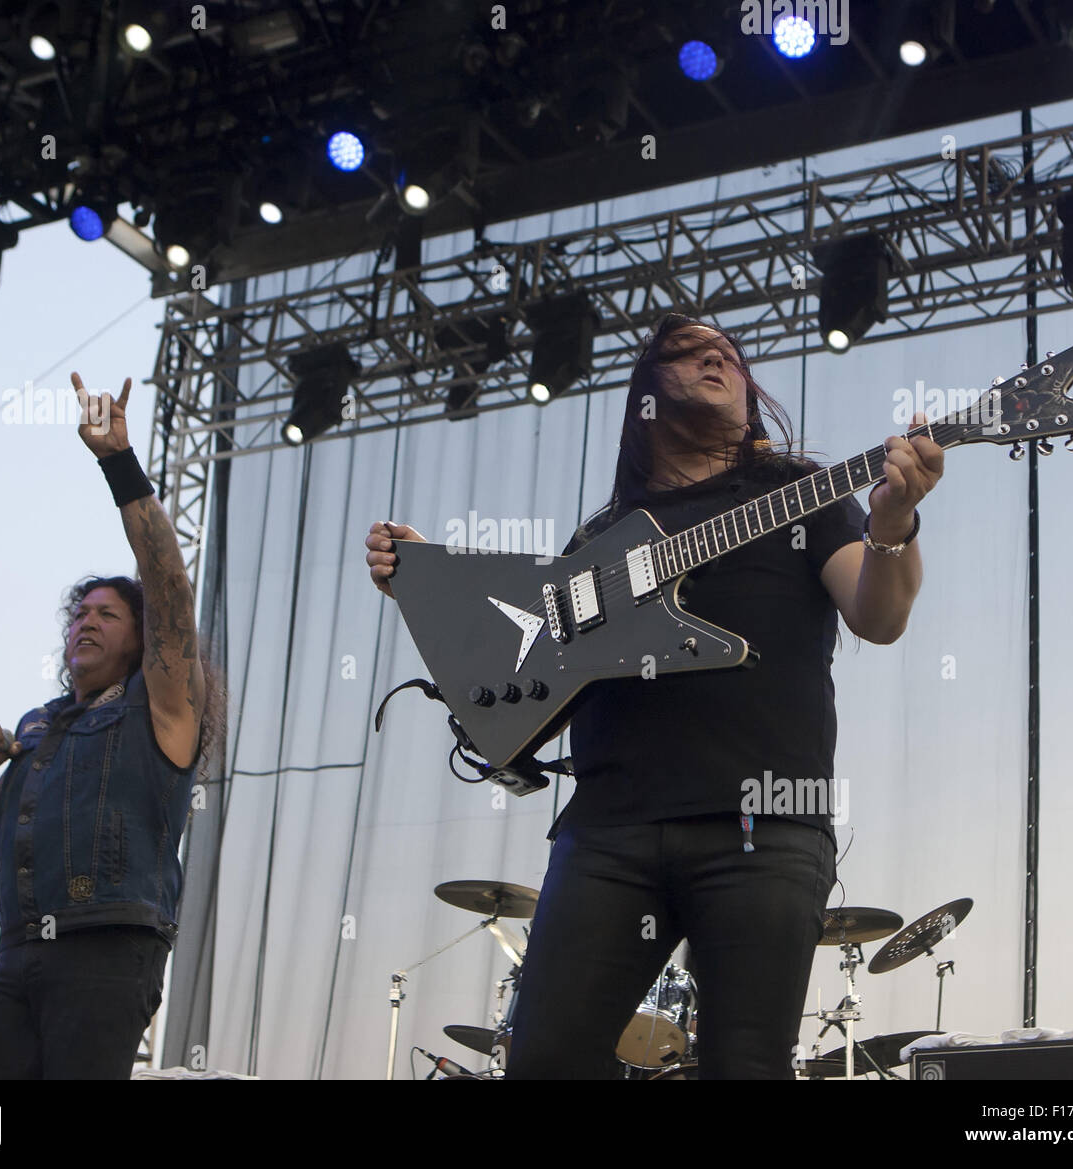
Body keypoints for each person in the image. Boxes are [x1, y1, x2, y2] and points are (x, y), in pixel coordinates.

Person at [365, 313, 943, 1079]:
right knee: (543, 1059)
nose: (719, 354)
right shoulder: (602, 538)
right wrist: (432, 579)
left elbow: (880, 614)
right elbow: (521, 673)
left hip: (762, 824)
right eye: (690, 349)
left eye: (731, 352)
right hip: (610, 829)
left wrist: (894, 520)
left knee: (746, 1064)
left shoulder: (800, 490)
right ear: (646, 395)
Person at [0, 372, 219, 1080]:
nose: (85, 621)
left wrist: (116, 461)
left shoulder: (160, 703)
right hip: (13, 953)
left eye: (106, 613)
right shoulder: (37, 728)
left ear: (140, 638)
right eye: (78, 612)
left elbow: (169, 585)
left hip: (104, 949)